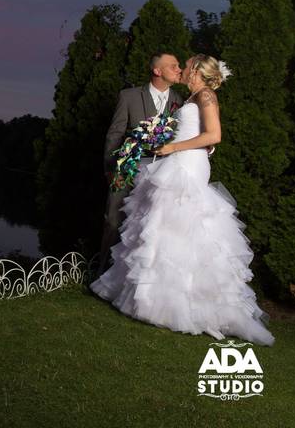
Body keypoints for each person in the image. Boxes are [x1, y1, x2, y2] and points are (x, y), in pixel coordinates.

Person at [90, 54, 275, 346]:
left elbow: (214, 135)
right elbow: (203, 135)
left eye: (187, 64)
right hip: (178, 160)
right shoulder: (191, 97)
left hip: (186, 164)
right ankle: (158, 301)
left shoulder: (206, 95)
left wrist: (176, 146)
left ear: (198, 71)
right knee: (165, 228)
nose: (183, 68)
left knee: (183, 225)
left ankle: (186, 304)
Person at [98, 53, 183, 275]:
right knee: (114, 220)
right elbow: (114, 134)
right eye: (173, 66)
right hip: (128, 167)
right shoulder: (129, 96)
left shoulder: (180, 101)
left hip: (162, 174)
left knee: (149, 227)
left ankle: (133, 279)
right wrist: (110, 169)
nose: (179, 69)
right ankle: (101, 274)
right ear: (157, 71)